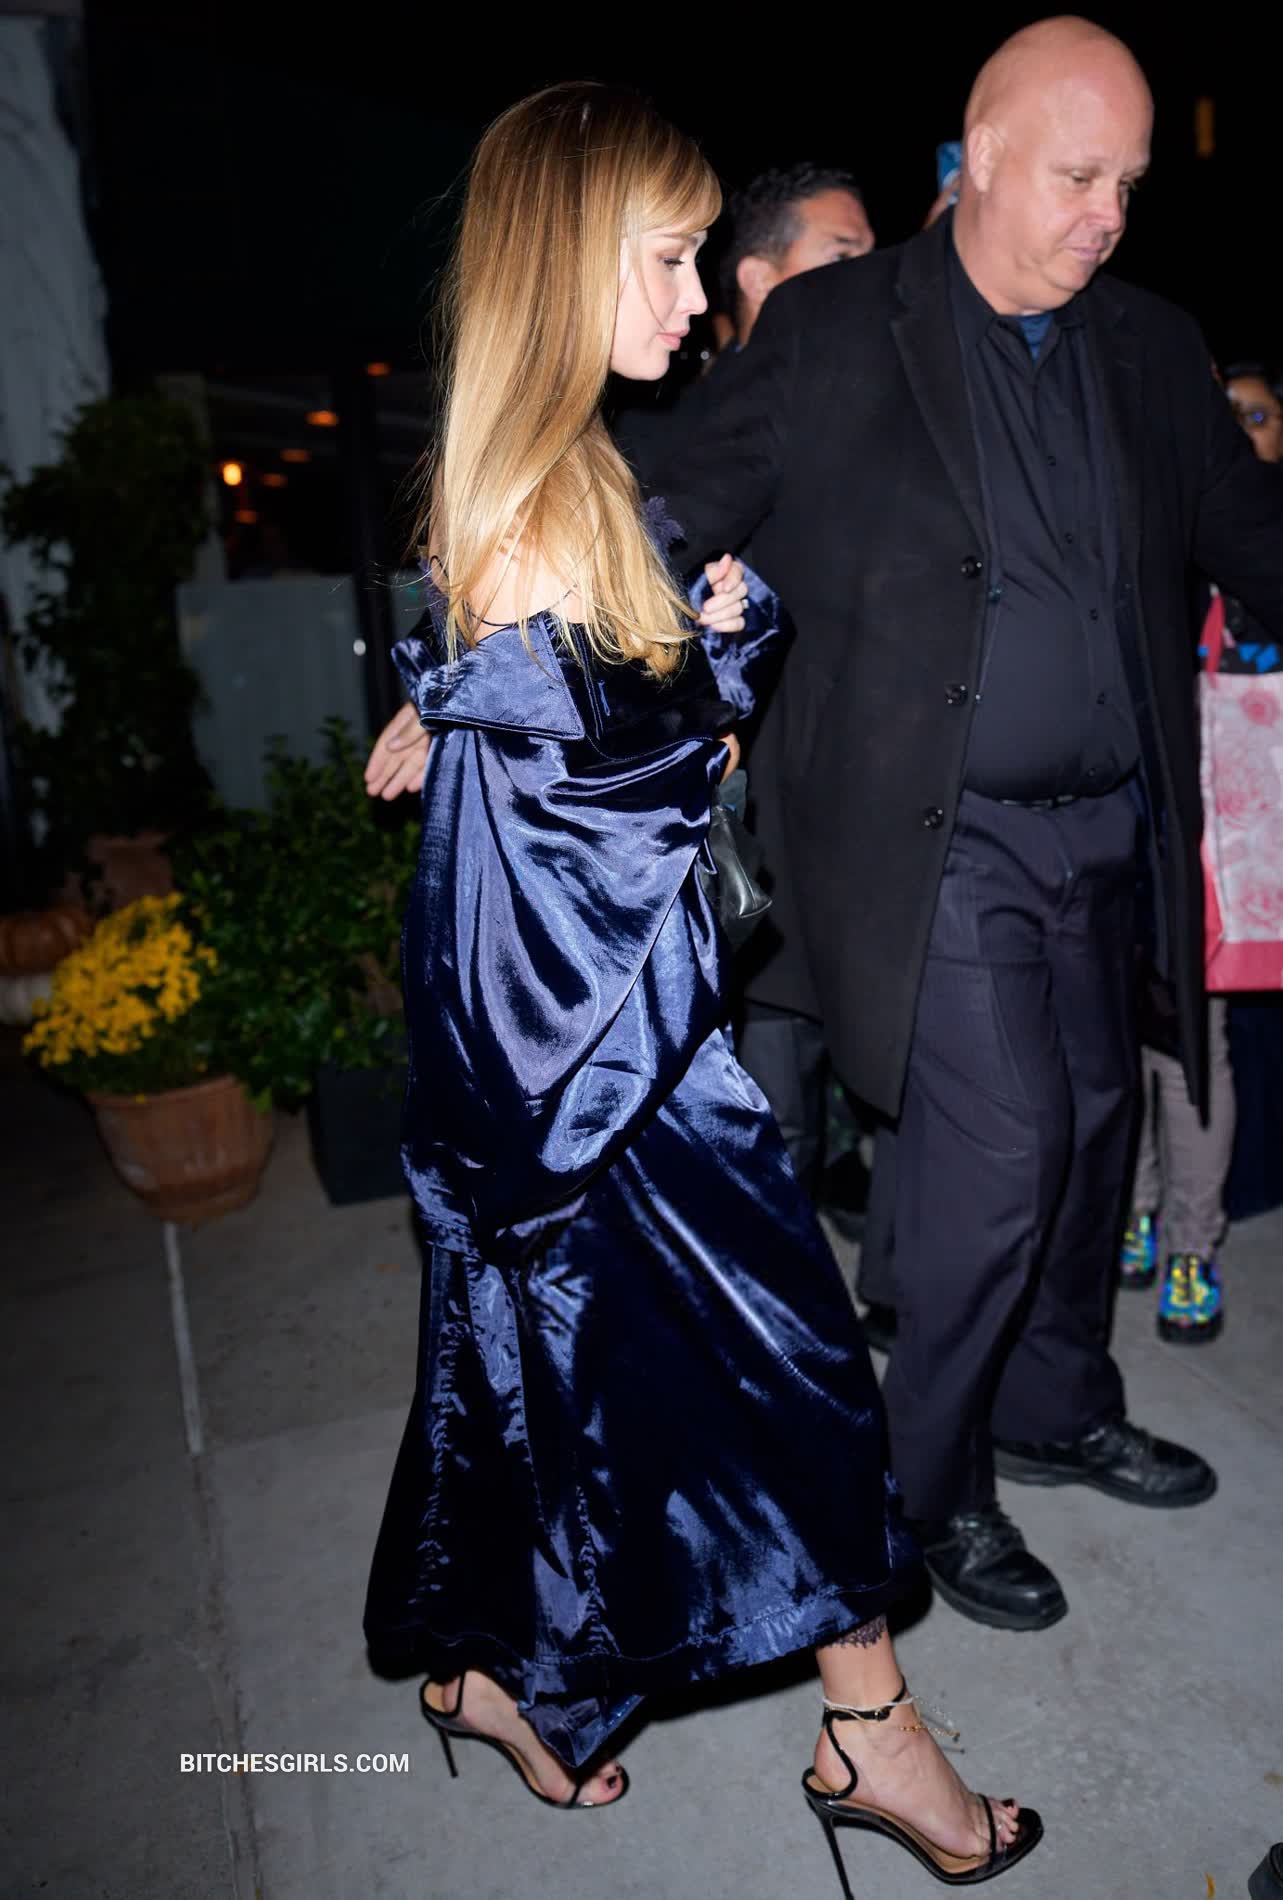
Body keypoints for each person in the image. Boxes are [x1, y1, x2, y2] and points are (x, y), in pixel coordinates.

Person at [362, 83, 1037, 1887]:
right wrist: (720, 659)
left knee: (558, 1380)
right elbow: (619, 794)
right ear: (566, 257)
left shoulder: (557, 472)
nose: (691, 297)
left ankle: (494, 1676)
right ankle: (870, 1734)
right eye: (664, 259)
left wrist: (695, 649)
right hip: (596, 1052)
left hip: (581, 1031)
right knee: (783, 1374)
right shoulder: (533, 495)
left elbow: (586, 735)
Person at [637, 16, 1283, 1634]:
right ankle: (923, 1490)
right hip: (930, 837)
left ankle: (1053, 1406)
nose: (1105, 216)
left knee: (1088, 1132)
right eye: (1076, 176)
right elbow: (664, 514)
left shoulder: (1148, 346)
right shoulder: (836, 328)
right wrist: (503, 644)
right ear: (980, 155)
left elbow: (1254, 540)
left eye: (1127, 184)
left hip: (1109, 829)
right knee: (995, 1156)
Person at [615, 164, 878, 1222]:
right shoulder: (669, 411)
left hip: (864, 787)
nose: (872, 277)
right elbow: (601, 584)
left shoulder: (880, 406)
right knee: (760, 1085)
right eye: (841, 256)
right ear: (761, 279)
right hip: (736, 800)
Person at [1122, 359, 1283, 1339]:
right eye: (1222, 413)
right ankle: (1136, 1208)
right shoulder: (1161, 529)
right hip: (1145, 812)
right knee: (1125, 1021)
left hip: (1240, 833)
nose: (1237, 431)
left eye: (1257, 416)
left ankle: (1191, 1244)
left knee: (1193, 1036)